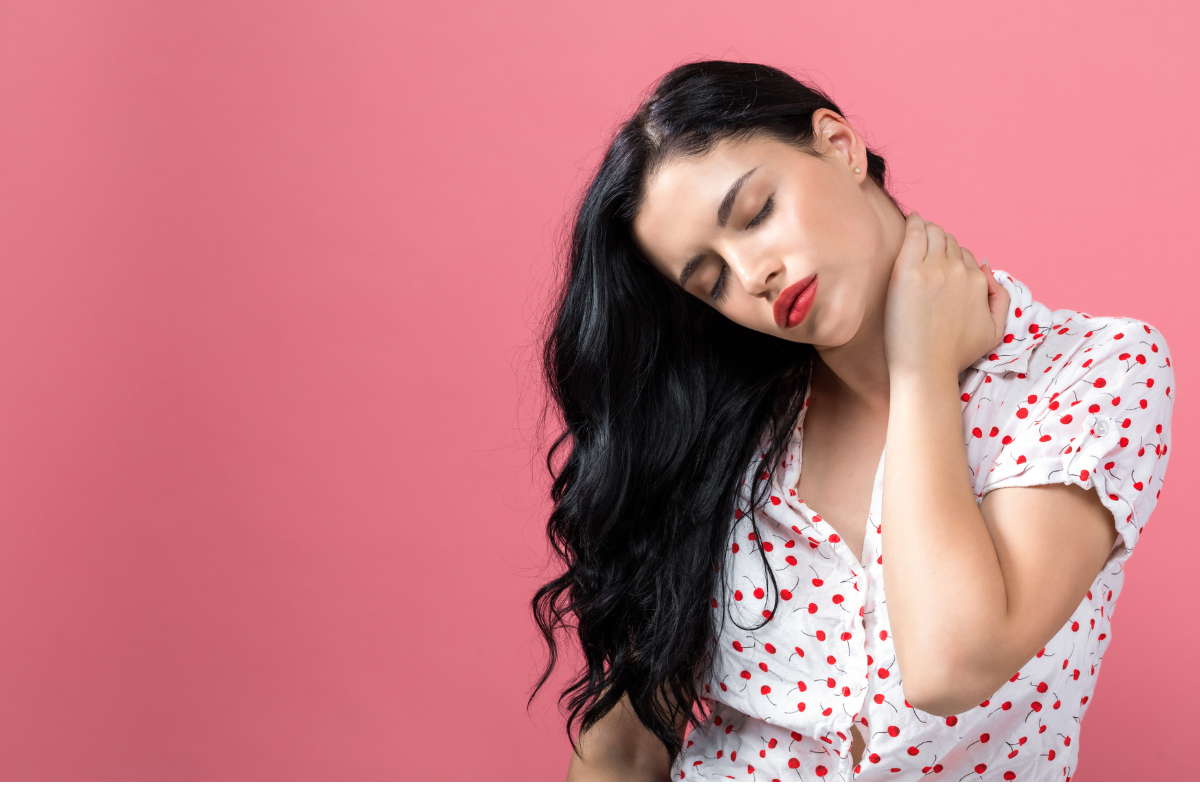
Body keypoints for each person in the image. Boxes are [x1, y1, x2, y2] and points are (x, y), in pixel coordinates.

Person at [531, 60, 1173, 782]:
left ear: (839, 144)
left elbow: (951, 664)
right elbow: (624, 744)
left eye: (755, 213)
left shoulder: (1089, 372)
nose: (750, 275)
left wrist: (921, 370)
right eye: (710, 281)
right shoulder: (732, 434)